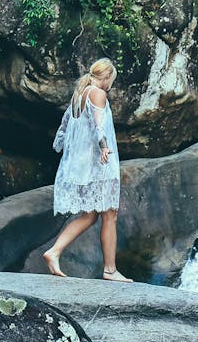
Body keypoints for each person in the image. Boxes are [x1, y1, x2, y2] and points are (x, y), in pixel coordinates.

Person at [42, 58, 133, 282]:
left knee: (90, 215)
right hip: (99, 164)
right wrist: (103, 148)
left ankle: (54, 251)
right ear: (108, 77)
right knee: (110, 214)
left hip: (84, 164)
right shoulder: (98, 93)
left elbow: (65, 127)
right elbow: (98, 124)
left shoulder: (80, 94)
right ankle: (110, 270)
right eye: (112, 79)